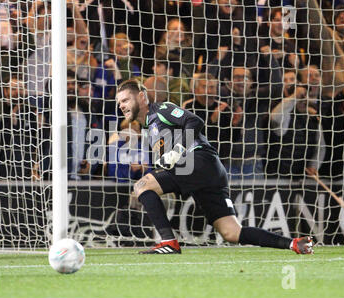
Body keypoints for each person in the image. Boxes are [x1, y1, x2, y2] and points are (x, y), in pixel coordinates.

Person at [115, 78, 314, 254]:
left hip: (200, 160)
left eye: (125, 100)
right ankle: (294, 243)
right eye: (118, 103)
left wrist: (176, 150)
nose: (121, 106)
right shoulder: (149, 127)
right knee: (232, 232)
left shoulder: (162, 109)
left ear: (141, 97)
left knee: (142, 185)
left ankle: (168, 242)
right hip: (209, 172)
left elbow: (195, 121)